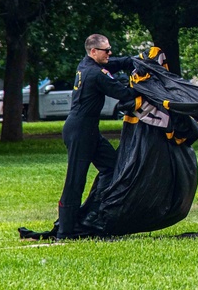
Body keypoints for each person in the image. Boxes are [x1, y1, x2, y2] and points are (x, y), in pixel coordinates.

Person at [56, 34, 143, 239]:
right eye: (106, 50)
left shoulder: (86, 64)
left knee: (112, 168)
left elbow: (112, 63)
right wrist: (141, 84)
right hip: (79, 132)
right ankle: (65, 232)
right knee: (75, 180)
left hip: (88, 130)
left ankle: (93, 214)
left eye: (110, 49)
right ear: (94, 51)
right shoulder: (95, 74)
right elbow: (125, 94)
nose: (110, 53)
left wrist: (134, 60)